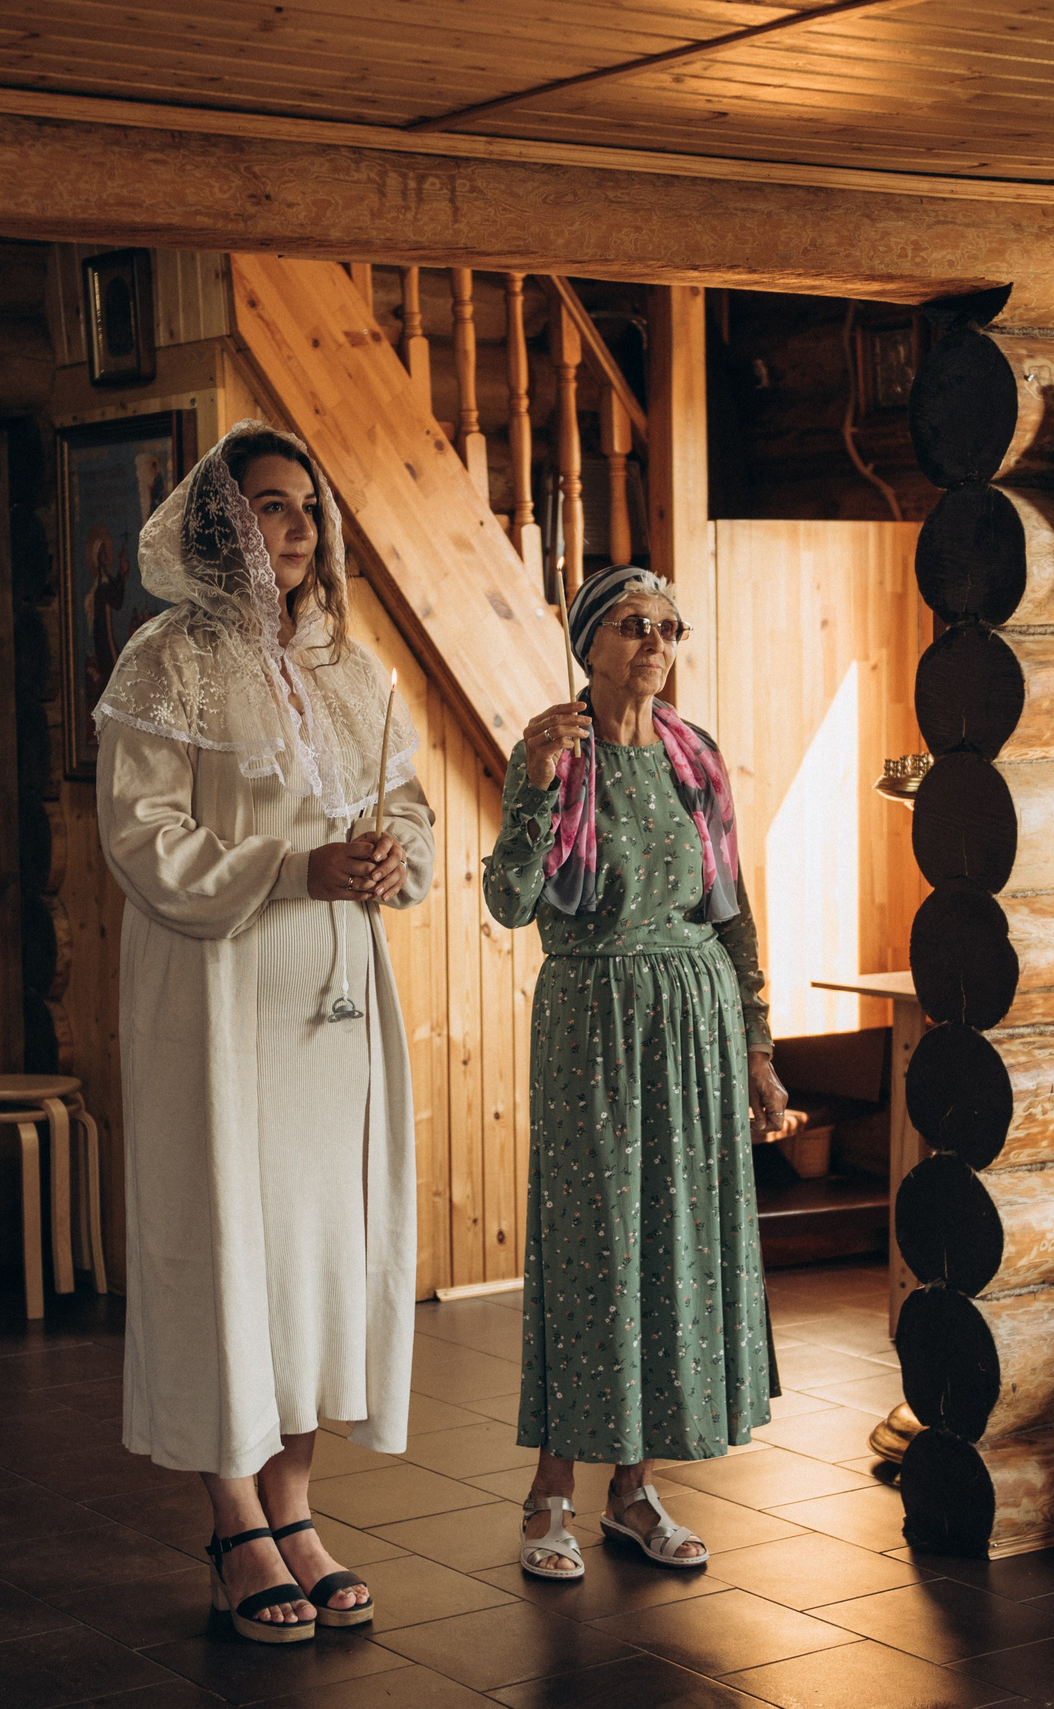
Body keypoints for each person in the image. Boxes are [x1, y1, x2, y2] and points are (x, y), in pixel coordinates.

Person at [95, 421, 435, 1644]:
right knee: (225, 1244)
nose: (293, 528)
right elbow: (143, 839)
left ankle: (294, 1506)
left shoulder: (347, 663)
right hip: (216, 997)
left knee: (310, 1253)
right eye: (267, 506)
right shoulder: (163, 661)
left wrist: (393, 856)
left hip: (331, 1016)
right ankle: (233, 1518)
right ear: (216, 523)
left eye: (305, 507)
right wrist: (296, 868)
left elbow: (405, 807)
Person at [483, 564, 788, 1580]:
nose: (654, 642)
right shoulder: (552, 753)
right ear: (589, 644)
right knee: (595, 1246)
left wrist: (758, 1046)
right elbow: (509, 899)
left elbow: (732, 909)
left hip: (695, 1018)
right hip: (593, 1019)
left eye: (668, 626)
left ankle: (634, 1487)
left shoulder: (695, 757)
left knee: (672, 1244)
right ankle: (549, 1491)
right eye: (631, 624)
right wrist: (533, 787)